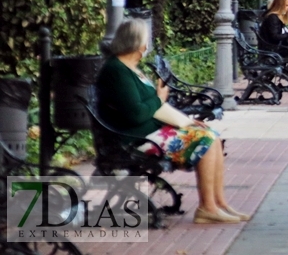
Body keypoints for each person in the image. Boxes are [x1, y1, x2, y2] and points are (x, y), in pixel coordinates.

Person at [95, 19, 249, 224]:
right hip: (134, 139)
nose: (147, 46)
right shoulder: (117, 70)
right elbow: (137, 113)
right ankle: (207, 208)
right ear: (138, 44)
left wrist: (187, 122)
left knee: (212, 136)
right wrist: (159, 97)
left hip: (149, 133)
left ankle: (219, 204)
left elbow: (150, 106)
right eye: (146, 41)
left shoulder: (130, 68)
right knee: (206, 141)